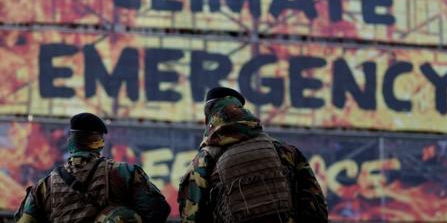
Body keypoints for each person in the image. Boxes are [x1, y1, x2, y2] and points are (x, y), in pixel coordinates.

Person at [178, 87, 328, 223]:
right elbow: (314, 206)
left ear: (208, 119)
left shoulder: (203, 161)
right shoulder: (284, 150)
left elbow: (192, 216)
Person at [15, 112, 171, 223]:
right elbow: (158, 210)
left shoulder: (44, 186)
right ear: (99, 143)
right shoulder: (125, 174)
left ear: (70, 142)